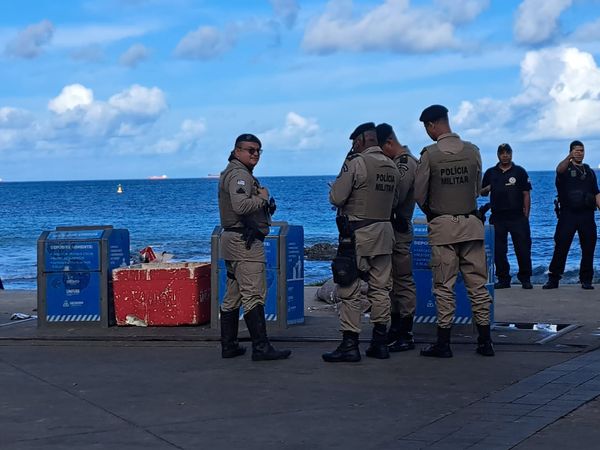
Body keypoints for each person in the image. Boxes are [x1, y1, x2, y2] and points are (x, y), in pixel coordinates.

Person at [414, 105, 494, 358]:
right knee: (478, 286)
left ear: (431, 126)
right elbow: (478, 187)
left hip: (443, 226)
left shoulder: (430, 154)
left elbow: (419, 193)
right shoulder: (473, 151)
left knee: (444, 286)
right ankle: (485, 341)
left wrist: (433, 212)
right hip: (471, 224)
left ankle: (444, 342)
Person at [323, 122, 400, 362]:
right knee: (381, 290)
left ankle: (350, 343)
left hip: (358, 234)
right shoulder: (392, 167)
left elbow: (336, 197)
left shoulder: (356, 163)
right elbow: (395, 201)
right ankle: (379, 342)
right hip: (385, 233)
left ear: (359, 141)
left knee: (349, 288)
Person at [218, 133, 291, 361]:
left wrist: (265, 205)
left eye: (258, 150)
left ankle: (229, 345)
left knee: (233, 295)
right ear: (237, 150)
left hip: (234, 241)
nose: (256, 154)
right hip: (244, 243)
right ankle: (261, 347)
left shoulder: (234, 172)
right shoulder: (240, 175)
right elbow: (240, 206)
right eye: (250, 150)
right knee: (253, 295)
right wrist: (263, 198)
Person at [376, 123, 418, 352]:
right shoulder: (396, 162)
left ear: (389, 143)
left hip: (398, 227)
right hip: (391, 228)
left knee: (402, 281)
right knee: (390, 283)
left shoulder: (404, 163)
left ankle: (405, 331)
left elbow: (396, 195)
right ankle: (395, 327)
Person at [543, 140, 600, 290]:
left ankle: (586, 280)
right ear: (570, 152)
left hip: (587, 215)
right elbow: (558, 170)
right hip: (568, 215)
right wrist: (568, 157)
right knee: (561, 246)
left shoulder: (589, 171)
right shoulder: (565, 169)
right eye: (576, 150)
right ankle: (553, 279)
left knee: (588, 248)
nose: (579, 153)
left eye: (582, 150)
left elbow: (596, 193)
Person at [481, 143, 533, 290]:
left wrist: (526, 215)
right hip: (498, 216)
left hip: (517, 216)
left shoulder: (520, 172)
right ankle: (503, 279)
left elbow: (526, 194)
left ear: (512, 154)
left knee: (523, 248)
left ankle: (525, 278)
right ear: (498, 155)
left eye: (508, 153)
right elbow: (482, 192)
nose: (505, 155)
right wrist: (488, 187)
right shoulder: (491, 172)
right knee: (499, 250)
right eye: (502, 153)